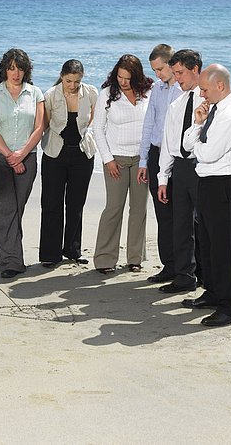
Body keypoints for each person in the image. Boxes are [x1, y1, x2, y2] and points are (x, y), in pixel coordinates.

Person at [181, 64, 231, 327]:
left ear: (220, 86)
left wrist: (212, 150)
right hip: (207, 182)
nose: (201, 94)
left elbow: (206, 154)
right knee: (207, 243)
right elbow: (187, 145)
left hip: (223, 185)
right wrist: (198, 125)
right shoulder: (215, 110)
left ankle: (228, 306)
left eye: (204, 89)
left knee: (223, 247)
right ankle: (213, 293)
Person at [0, 48, 45, 279]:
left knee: (16, 209)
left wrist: (22, 154)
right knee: (4, 210)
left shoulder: (35, 93)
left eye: (20, 68)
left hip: (27, 157)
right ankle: (11, 261)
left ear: (26, 70)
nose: (15, 73)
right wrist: (11, 155)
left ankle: (10, 256)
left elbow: (39, 127)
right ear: (5, 69)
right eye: (11, 68)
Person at [93, 54, 153, 274]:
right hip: (116, 160)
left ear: (136, 76)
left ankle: (135, 258)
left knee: (139, 209)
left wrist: (147, 160)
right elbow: (98, 129)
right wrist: (108, 160)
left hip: (142, 160)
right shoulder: (107, 94)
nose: (123, 81)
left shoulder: (148, 91)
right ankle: (104, 259)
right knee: (114, 208)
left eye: (128, 78)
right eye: (120, 76)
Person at [39, 59, 99, 268]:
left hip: (82, 154)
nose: (72, 85)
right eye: (68, 81)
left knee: (76, 204)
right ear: (62, 77)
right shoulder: (50, 95)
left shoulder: (91, 93)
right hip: (55, 153)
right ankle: (50, 254)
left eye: (76, 81)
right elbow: (44, 126)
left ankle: (73, 250)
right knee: (51, 204)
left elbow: (93, 120)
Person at [157, 49, 205, 293]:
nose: (176, 79)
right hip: (181, 168)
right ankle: (185, 276)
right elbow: (169, 143)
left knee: (204, 224)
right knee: (181, 224)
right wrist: (163, 177)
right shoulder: (177, 103)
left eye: (180, 73)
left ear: (195, 69)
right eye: (174, 73)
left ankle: (205, 275)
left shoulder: (209, 100)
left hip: (203, 167)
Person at [136, 44, 183, 283]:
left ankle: (187, 268)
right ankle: (169, 266)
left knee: (183, 215)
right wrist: (143, 160)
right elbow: (148, 125)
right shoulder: (157, 89)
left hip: (177, 158)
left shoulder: (184, 91)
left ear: (172, 64)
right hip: (155, 155)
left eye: (160, 69)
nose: (157, 74)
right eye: (154, 70)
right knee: (163, 214)